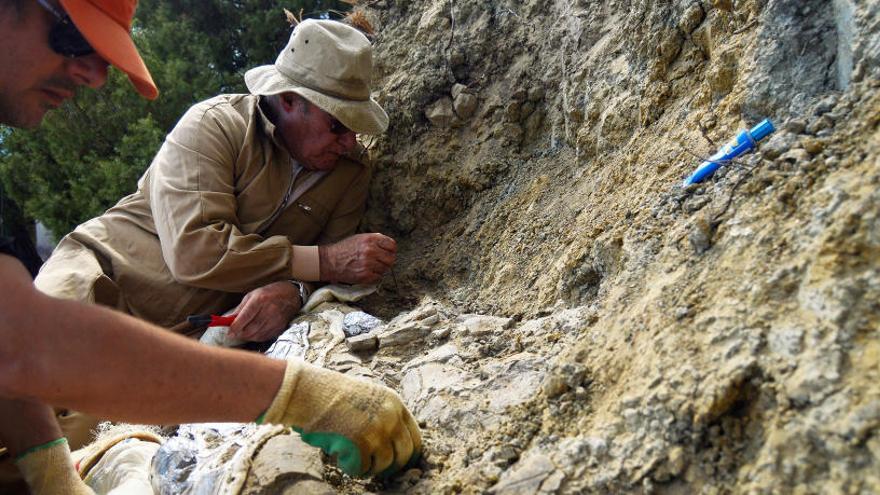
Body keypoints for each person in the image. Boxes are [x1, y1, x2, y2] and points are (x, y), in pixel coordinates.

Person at [0, 1, 421, 493]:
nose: (349, 142)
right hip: (102, 279)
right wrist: (299, 392)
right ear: (289, 100)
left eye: (356, 128)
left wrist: (292, 288)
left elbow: (323, 276)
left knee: (76, 449)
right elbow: (196, 253)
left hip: (181, 336)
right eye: (337, 124)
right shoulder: (215, 126)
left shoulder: (350, 174)